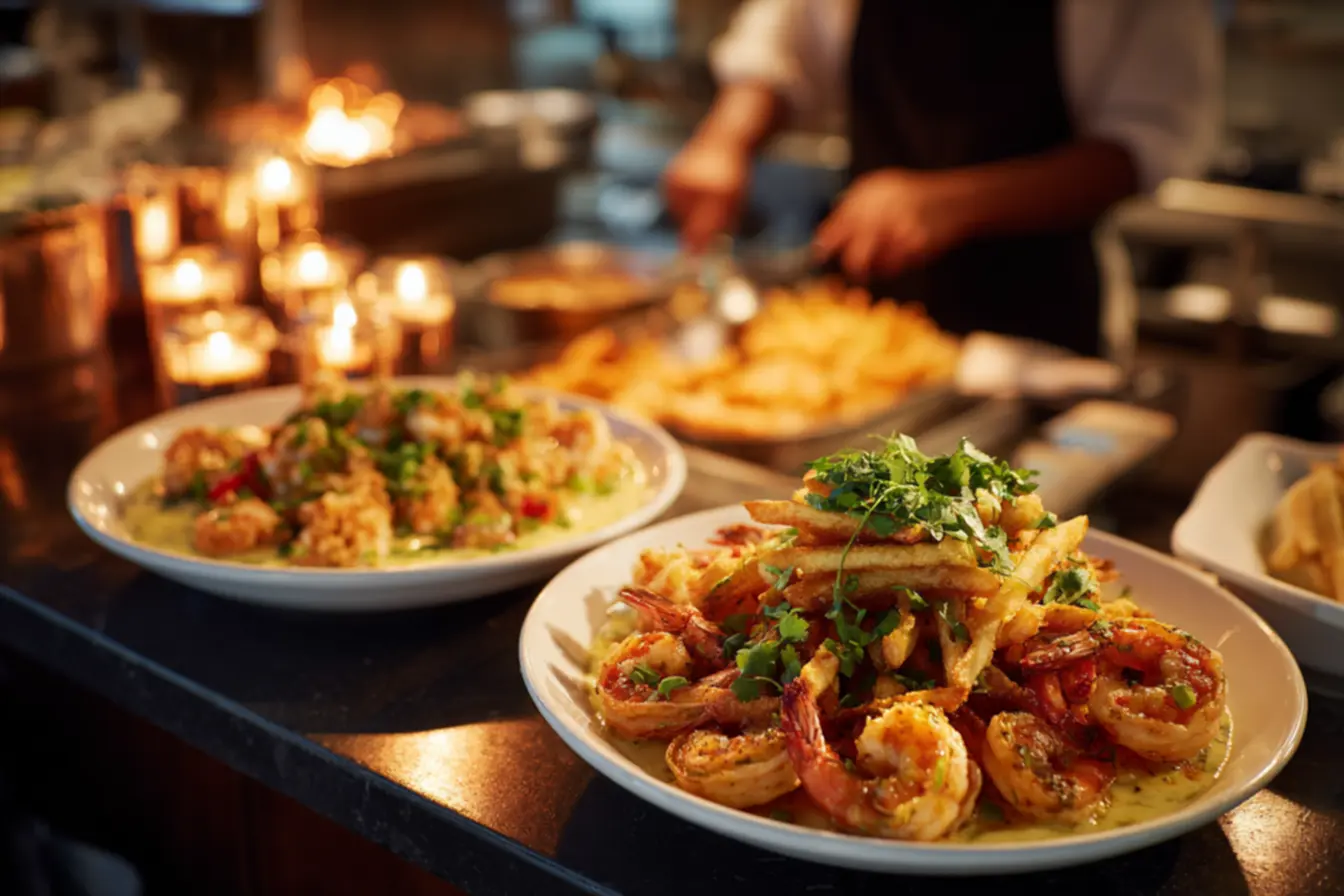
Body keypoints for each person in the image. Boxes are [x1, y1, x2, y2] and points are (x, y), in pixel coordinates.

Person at [663, 1, 1222, 356]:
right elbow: (780, 48)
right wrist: (723, 141)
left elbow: (1145, 144)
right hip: (866, 313)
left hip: (1040, 322)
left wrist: (951, 203)